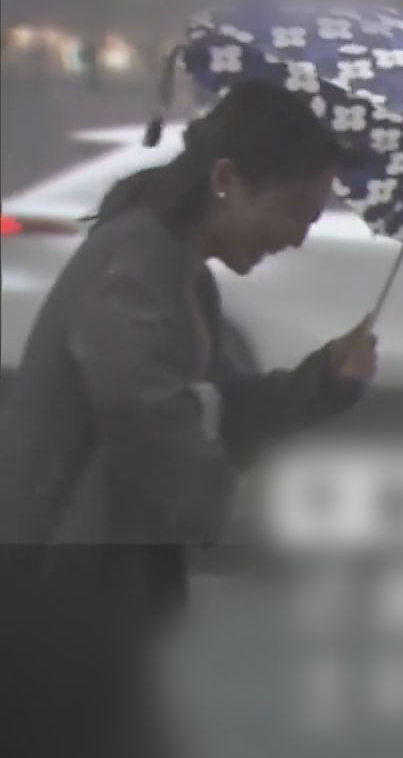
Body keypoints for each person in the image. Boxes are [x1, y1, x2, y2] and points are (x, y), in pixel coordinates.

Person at [0, 80, 379, 758]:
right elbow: (143, 409)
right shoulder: (135, 260)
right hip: (54, 598)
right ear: (228, 180)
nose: (298, 237)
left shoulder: (185, 278)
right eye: (296, 210)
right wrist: (220, 504)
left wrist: (323, 381)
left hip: (105, 601)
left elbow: (218, 412)